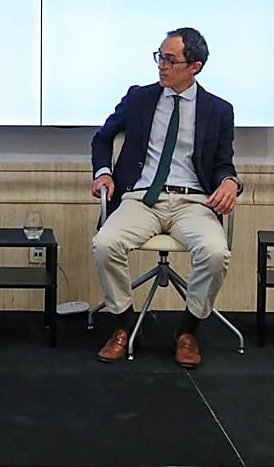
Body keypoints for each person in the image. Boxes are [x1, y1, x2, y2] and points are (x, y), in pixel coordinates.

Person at [90, 27, 241, 368]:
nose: (161, 66)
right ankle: (125, 325)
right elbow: (102, 138)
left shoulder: (218, 110)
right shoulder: (138, 98)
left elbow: (223, 164)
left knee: (216, 253)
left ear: (195, 66)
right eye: (159, 57)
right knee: (105, 244)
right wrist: (103, 172)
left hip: (193, 202)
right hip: (141, 198)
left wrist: (230, 182)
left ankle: (187, 331)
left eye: (171, 60)